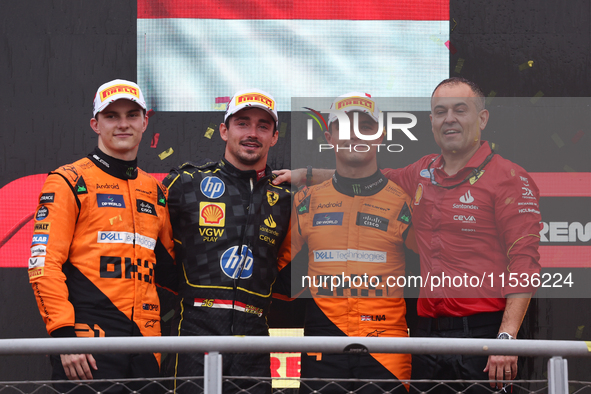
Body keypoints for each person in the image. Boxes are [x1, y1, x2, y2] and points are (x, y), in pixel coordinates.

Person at [274, 77, 542, 392]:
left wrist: (506, 337)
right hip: (427, 337)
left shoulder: (509, 177)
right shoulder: (420, 172)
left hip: (485, 333)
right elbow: (362, 176)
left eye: (460, 109)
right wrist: (304, 175)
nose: (450, 119)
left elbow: (525, 261)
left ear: (482, 119)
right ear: (431, 121)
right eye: (440, 111)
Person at [29, 79, 176, 393]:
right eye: (112, 116)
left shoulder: (155, 190)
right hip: (87, 345)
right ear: (95, 124)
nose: (123, 124)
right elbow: (44, 265)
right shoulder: (68, 180)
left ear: (145, 121)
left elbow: (171, 270)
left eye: (131, 115)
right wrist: (63, 339)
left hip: (148, 343)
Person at [276, 93, 416, 393]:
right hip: (322, 347)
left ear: (380, 136)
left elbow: (434, 271)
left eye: (366, 127)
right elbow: (275, 274)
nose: (356, 136)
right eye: (346, 128)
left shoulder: (404, 202)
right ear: (330, 136)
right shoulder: (305, 202)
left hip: (387, 352)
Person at [163, 89, 292, 394]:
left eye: (263, 126)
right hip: (196, 327)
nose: (252, 133)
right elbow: (155, 249)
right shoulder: (186, 183)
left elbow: (287, 269)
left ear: (274, 137)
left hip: (254, 331)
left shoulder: (286, 199)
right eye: (242, 123)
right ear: (224, 130)